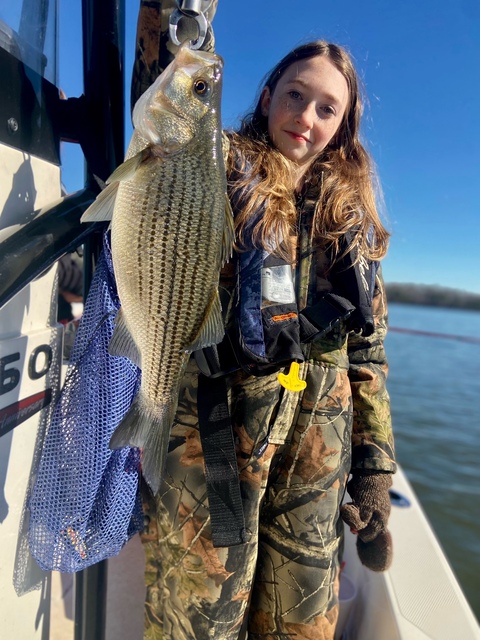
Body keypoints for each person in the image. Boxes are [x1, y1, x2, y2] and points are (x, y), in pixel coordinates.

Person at [140, 40, 396, 640]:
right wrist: (174, 38)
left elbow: (367, 353)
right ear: (266, 97)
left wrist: (374, 472)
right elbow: (162, 109)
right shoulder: (216, 165)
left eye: (326, 108)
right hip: (216, 443)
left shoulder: (351, 217)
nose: (306, 117)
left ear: (342, 124)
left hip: (316, 460)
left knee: (299, 627)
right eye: (295, 96)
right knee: (197, 617)